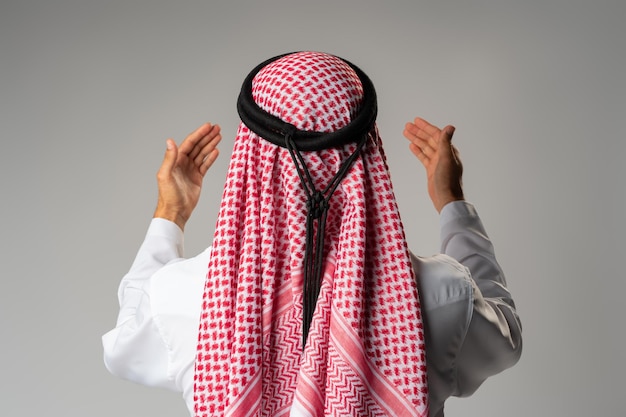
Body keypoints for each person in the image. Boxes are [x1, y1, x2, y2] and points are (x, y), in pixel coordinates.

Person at [102, 52, 521, 417]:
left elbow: (125, 342)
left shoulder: (190, 297)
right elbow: (505, 334)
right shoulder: (439, 295)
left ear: (250, 154)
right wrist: (452, 202)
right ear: (368, 151)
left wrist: (170, 211)